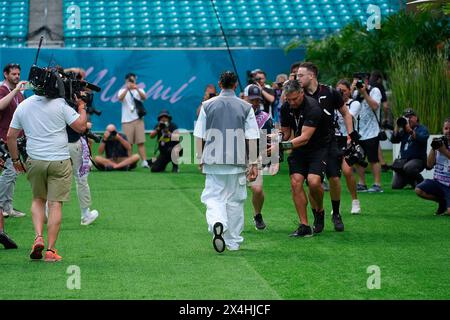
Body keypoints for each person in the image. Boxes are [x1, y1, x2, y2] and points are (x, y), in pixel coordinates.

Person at [7, 74, 88, 262]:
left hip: (34, 160)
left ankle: (38, 237)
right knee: (55, 204)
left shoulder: (23, 105)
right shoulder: (61, 104)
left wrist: (16, 160)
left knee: (38, 200)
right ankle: (51, 251)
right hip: (59, 160)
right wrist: (82, 108)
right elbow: (81, 127)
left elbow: (11, 136)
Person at [194, 71, 259, 253]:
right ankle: (233, 241)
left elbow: (199, 134)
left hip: (213, 159)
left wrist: (200, 157)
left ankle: (217, 222)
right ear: (236, 85)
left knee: (213, 197)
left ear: (219, 84)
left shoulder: (207, 105)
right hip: (237, 160)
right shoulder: (246, 107)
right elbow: (252, 136)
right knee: (235, 201)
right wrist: (253, 163)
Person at [297, 62, 357, 232]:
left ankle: (336, 213)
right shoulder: (299, 95)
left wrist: (351, 134)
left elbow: (346, 113)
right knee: (312, 183)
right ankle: (318, 214)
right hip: (308, 143)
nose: (298, 78)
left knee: (335, 178)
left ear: (312, 75)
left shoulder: (330, 92)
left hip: (329, 141)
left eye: (301, 75)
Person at [278, 80, 328, 237]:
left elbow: (305, 137)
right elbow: (286, 133)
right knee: (296, 182)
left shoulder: (313, 107)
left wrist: (281, 147)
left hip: (318, 149)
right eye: (288, 99)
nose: (292, 102)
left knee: (314, 182)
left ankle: (319, 210)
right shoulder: (286, 107)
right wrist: (276, 138)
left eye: (295, 99)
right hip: (298, 150)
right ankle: (304, 225)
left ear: (301, 93)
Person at [64, 67, 99, 226]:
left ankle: (46, 213)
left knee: (53, 179)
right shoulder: (73, 100)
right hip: (72, 142)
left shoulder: (54, 97)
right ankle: (85, 214)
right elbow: (81, 127)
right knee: (81, 178)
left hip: (56, 144)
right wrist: (82, 110)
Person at [244, 85, 275, 230]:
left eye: (257, 100)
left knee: (257, 189)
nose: (254, 103)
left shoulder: (265, 118)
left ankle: (257, 215)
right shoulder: (237, 114)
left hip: (255, 158)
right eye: (251, 100)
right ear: (244, 98)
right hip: (236, 157)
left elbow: (269, 139)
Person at [0, 63, 27, 220]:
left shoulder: (19, 93)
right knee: (10, 171)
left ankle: (7, 206)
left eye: (18, 74)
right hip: (4, 138)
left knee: (13, 172)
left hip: (17, 139)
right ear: (6, 74)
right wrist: (16, 91)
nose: (17, 76)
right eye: (14, 74)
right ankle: (2, 206)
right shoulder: (3, 90)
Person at [352, 71, 384, 193]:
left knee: (373, 159)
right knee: (358, 158)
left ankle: (377, 184)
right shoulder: (354, 92)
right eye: (356, 80)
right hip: (358, 131)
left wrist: (364, 92)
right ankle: (362, 183)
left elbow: (375, 106)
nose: (359, 83)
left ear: (367, 80)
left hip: (372, 131)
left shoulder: (374, 91)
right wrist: (352, 89)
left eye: (361, 80)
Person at [336, 79, 362, 214]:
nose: (341, 93)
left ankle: (355, 200)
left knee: (347, 171)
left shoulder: (354, 103)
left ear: (349, 91)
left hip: (348, 140)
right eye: (338, 91)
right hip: (334, 140)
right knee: (334, 175)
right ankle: (337, 205)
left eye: (344, 91)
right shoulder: (332, 104)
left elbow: (349, 116)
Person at [415, 118, 450, 215]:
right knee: (419, 189)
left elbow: (446, 153)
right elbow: (429, 165)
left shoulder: (442, 147)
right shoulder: (440, 143)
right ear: (443, 130)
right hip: (438, 182)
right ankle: (442, 201)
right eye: (446, 128)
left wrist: (443, 151)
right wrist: (433, 148)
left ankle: (446, 203)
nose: (448, 131)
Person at [390, 108, 429, 189]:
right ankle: (412, 181)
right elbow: (394, 140)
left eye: (410, 117)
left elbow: (422, 139)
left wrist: (410, 131)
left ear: (416, 117)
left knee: (409, 167)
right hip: (404, 162)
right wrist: (397, 125)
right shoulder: (403, 130)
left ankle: (422, 182)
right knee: (395, 186)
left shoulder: (422, 129)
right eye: (406, 117)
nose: (409, 119)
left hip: (418, 160)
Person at [117, 73, 149, 168]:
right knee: (128, 143)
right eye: (130, 80)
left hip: (138, 119)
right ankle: (129, 161)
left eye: (133, 80)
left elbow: (144, 97)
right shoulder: (122, 91)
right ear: (126, 81)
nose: (132, 82)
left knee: (140, 142)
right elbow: (120, 98)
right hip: (126, 121)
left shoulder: (139, 90)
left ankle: (144, 161)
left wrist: (137, 88)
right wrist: (127, 88)